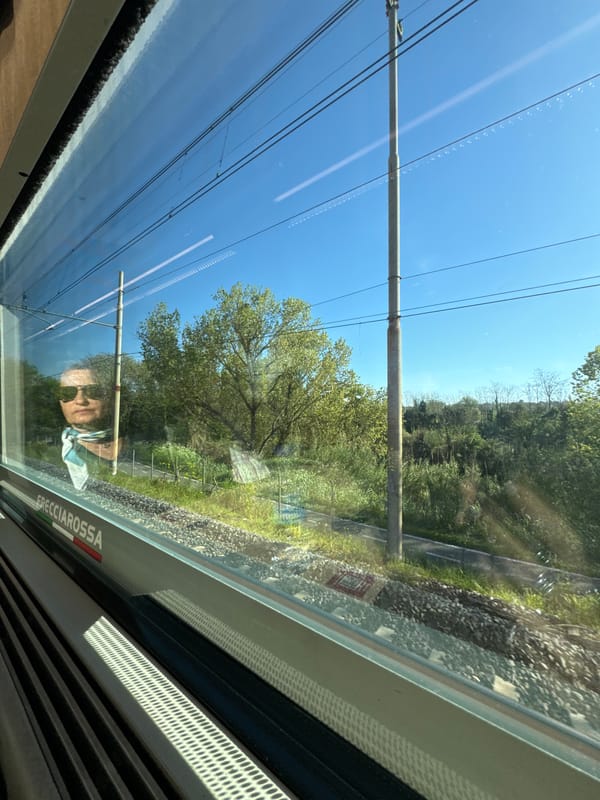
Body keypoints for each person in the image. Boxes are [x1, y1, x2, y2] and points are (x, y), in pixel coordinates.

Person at [58, 365, 122, 489]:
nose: (80, 400)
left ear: (108, 399)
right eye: (67, 393)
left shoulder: (129, 446)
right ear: (60, 403)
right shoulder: (46, 453)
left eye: (93, 391)